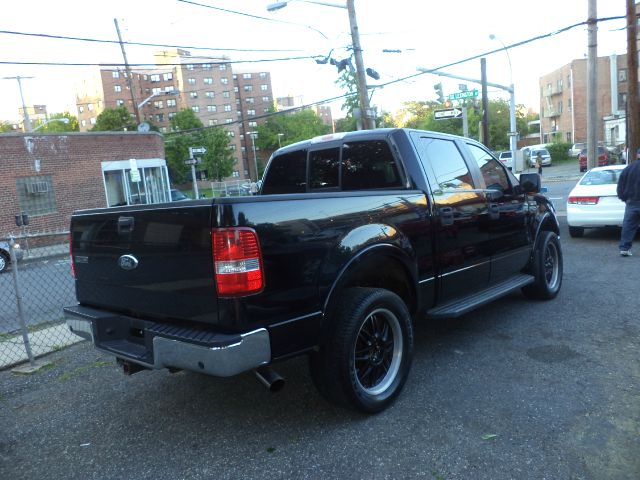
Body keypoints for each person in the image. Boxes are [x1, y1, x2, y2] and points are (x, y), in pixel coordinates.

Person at [616, 159, 640, 256]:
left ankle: (625, 248)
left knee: (628, 226)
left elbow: (620, 185)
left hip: (632, 202)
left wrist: (624, 198)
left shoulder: (629, 168)